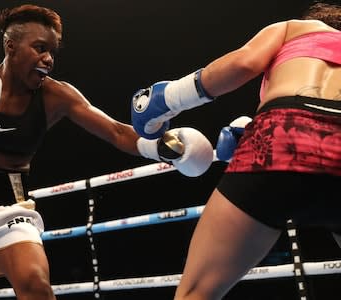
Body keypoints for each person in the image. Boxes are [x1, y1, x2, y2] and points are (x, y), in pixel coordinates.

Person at [0, 4, 215, 300]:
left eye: (52, 51)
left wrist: (161, 147)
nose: (49, 59)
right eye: (40, 48)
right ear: (10, 46)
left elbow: (115, 131)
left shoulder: (57, 96)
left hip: (7, 210)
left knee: (36, 284)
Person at [130, 1, 341, 299]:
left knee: (197, 293)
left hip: (284, 130)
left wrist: (168, 98)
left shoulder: (296, 28)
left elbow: (243, 63)